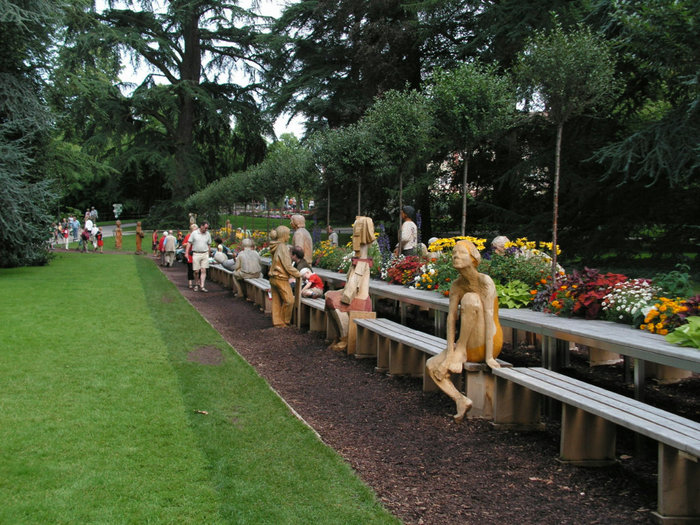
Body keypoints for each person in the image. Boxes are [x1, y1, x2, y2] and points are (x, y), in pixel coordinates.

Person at [425, 239, 503, 422]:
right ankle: (460, 399)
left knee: (470, 299)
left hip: (488, 340)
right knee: (431, 365)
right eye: (453, 253)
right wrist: (450, 351)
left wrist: (490, 357)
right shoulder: (456, 285)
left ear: (473, 258)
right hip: (465, 343)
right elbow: (451, 318)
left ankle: (460, 352)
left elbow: (490, 319)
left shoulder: (485, 282)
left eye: (461, 253)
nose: (455, 256)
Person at [325, 216, 375, 350]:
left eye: (356, 234)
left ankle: (345, 337)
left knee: (333, 301)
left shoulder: (362, 263)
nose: (353, 238)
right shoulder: (357, 261)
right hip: (353, 296)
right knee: (329, 297)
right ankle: (339, 335)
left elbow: (354, 285)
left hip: (360, 300)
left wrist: (342, 295)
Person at [268, 225, 300, 327]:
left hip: (273, 277)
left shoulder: (275, 245)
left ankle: (277, 322)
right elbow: (287, 265)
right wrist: (298, 274)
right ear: (283, 235)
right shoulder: (282, 247)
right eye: (288, 234)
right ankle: (284, 321)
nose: (289, 237)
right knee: (290, 300)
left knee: (276, 301)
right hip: (280, 277)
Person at [188, 221, 212, 292]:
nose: (206, 229)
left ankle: (202, 286)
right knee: (196, 271)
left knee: (203, 270)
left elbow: (209, 244)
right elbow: (189, 243)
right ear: (201, 226)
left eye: (207, 228)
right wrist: (186, 253)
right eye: (205, 228)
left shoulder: (208, 234)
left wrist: (209, 253)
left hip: (205, 253)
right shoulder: (194, 233)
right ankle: (196, 283)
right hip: (196, 253)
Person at [182, 224, 197, 289]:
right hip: (190, 255)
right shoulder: (188, 236)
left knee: (197, 270)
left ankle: (197, 283)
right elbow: (183, 244)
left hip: (197, 255)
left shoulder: (199, 236)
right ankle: (190, 283)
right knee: (190, 269)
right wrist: (189, 243)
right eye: (194, 230)